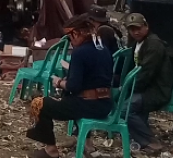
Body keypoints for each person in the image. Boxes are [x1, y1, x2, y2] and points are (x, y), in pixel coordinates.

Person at [26, 15, 113, 158]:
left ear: (77, 33)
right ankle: (87, 144)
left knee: (39, 103)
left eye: (69, 36)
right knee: (71, 99)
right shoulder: (102, 48)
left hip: (89, 105)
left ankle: (50, 150)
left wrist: (59, 82)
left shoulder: (80, 53)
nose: (70, 41)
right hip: (105, 104)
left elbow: (73, 86)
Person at [123, 13, 173, 151]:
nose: (135, 32)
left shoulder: (153, 45)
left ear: (146, 26)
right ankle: (140, 134)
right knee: (128, 103)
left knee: (125, 108)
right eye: (132, 29)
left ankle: (150, 141)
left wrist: (127, 89)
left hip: (156, 91)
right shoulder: (139, 43)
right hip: (147, 88)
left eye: (138, 28)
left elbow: (146, 74)